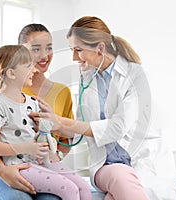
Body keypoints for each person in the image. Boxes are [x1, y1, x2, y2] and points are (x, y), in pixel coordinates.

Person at [30, 16, 155, 200]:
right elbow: (80, 127)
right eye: (72, 50)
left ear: (100, 48)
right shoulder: (87, 77)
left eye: (78, 50)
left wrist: (60, 121)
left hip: (140, 161)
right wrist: (52, 126)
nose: (73, 58)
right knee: (120, 176)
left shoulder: (135, 75)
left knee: (120, 187)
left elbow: (118, 128)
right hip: (105, 165)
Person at [0, 44, 92, 200]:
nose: (35, 69)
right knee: (69, 190)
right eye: (28, 66)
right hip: (20, 166)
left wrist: (48, 134)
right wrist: (26, 147)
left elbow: (40, 134)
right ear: (11, 73)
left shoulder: (32, 102)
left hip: (41, 162)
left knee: (83, 187)